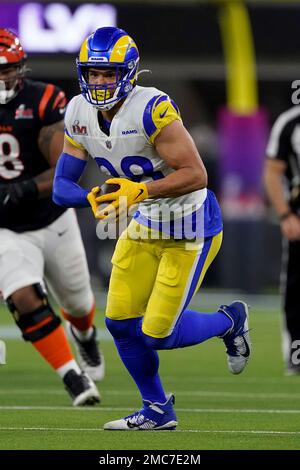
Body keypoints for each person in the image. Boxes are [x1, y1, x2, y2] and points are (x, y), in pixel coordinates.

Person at [53, 26, 251, 430]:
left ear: (128, 72)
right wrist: (92, 197)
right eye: (94, 73)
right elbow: (61, 187)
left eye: (109, 73)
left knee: (158, 334)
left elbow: (197, 174)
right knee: (120, 323)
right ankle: (158, 409)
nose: (100, 81)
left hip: (190, 225)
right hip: (145, 225)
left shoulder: (151, 108)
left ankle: (230, 320)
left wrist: (140, 193)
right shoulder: (76, 112)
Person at [0, 28, 104, 405]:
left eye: (7, 69)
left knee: (77, 303)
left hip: (51, 217)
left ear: (21, 68)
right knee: (24, 297)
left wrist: (25, 188)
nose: (1, 77)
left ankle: (87, 338)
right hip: (6, 228)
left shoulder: (44, 99)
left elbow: (63, 169)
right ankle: (72, 377)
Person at [264, 104, 300, 375]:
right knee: (296, 285)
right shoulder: (290, 121)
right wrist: (285, 214)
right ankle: (296, 353)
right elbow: (272, 170)